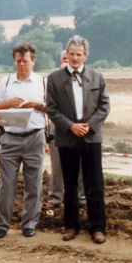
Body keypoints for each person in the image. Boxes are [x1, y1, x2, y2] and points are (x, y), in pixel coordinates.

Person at [46, 35, 111, 244]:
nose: (75, 58)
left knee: (94, 184)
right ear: (67, 55)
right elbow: (51, 109)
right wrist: (70, 125)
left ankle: (97, 228)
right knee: (70, 184)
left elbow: (104, 107)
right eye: (71, 54)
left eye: (79, 54)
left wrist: (89, 125)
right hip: (67, 137)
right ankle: (71, 226)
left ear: (86, 56)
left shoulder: (97, 77)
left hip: (91, 137)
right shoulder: (54, 78)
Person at [0, 43, 47, 239]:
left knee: (34, 184)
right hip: (10, 139)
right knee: (6, 185)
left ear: (33, 61)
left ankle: (29, 224)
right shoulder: (5, 82)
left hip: (35, 137)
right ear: (14, 61)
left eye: (25, 61)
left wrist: (39, 105)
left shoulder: (43, 82)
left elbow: (53, 107)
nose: (22, 64)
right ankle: (2, 225)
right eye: (18, 61)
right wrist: (8, 104)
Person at [46, 49, 85, 209]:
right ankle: (55, 198)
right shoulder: (52, 79)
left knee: (82, 165)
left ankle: (82, 199)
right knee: (57, 165)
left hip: (79, 127)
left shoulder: (84, 79)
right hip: (57, 126)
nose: (68, 61)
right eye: (64, 58)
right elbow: (47, 104)